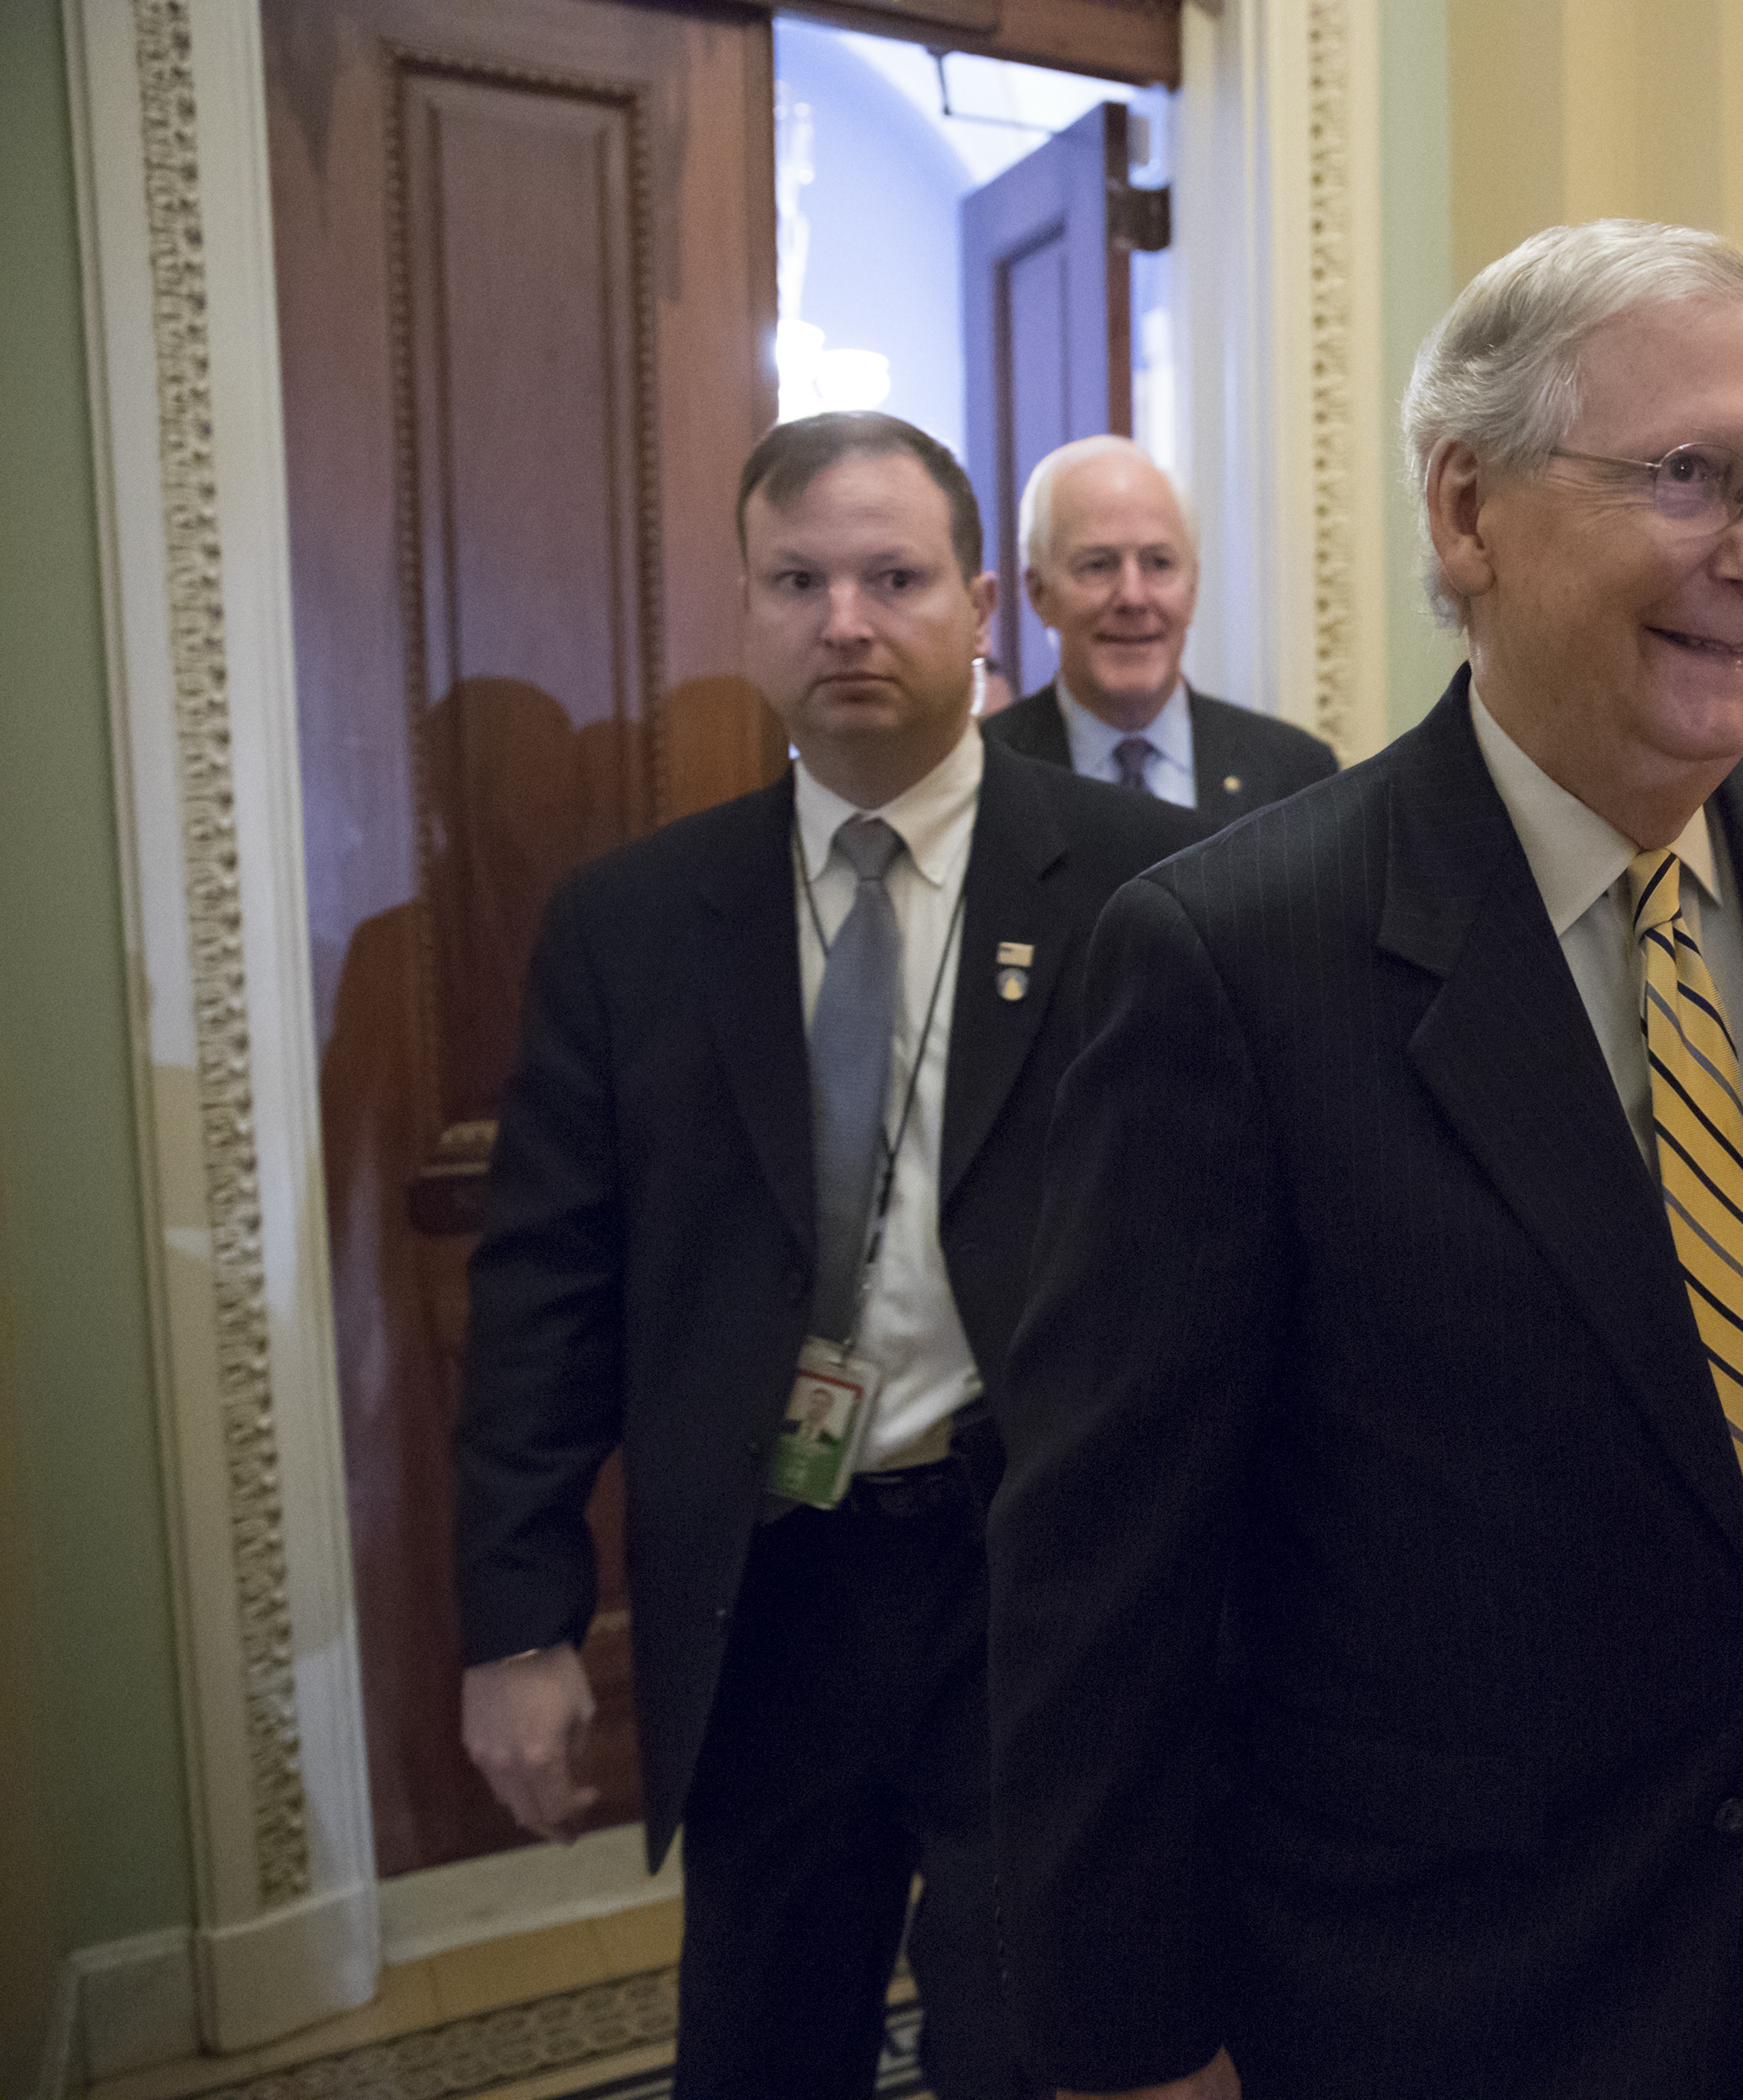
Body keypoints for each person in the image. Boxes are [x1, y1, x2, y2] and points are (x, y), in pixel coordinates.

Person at [985, 220, 1743, 2100]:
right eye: (1688, 477)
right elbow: (1103, 1584)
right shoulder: (1234, 955)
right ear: (1466, 512)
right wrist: (1131, 2040)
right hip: (1430, 1991)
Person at [454, 411, 1202, 2100]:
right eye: (798, 580)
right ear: (745, 610)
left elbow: (1223, 1280)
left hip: (1038, 1577)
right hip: (772, 1590)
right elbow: (544, 1292)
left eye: (891, 576)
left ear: (981, 601)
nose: (845, 621)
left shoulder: (1150, 899)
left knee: (1037, 2043)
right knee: (761, 2046)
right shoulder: (632, 924)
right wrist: (518, 1623)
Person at [979, 434, 1337, 820]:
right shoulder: (983, 775)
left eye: (1159, 563)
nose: (1133, 598)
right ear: (1039, 594)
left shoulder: (1296, 776)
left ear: (1193, 588)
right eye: (1098, 565)